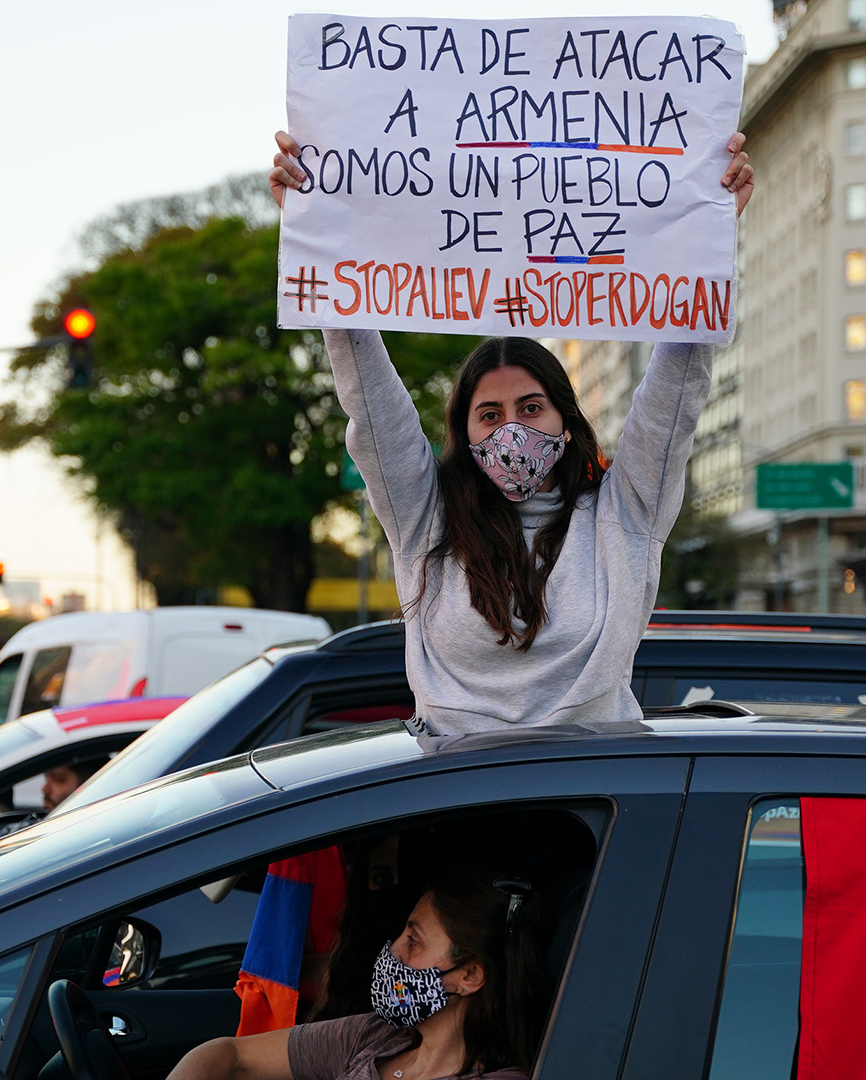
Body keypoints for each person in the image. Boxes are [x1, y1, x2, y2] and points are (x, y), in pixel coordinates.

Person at [268, 132, 754, 733]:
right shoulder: (426, 518)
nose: (512, 431)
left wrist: (711, 242)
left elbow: (673, 401)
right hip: (451, 807)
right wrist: (317, 236)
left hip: (598, 810)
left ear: (566, 424)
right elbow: (371, 404)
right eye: (490, 415)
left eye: (531, 408)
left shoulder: (624, 515)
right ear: (465, 432)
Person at [170, 869, 549, 1080]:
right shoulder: (379, 1037)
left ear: (469, 976)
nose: (392, 950)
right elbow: (228, 1054)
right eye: (403, 932)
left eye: (414, 941)